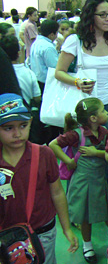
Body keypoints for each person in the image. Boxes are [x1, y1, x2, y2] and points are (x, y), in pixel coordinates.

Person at [0, 93, 78, 263]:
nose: (17, 133)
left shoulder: (43, 154)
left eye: (23, 125)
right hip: (6, 234)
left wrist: (66, 228)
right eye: (8, 128)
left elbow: (57, 192)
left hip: (42, 231)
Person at [49, 98, 108, 262]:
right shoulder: (76, 135)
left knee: (107, 212)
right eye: (103, 111)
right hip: (83, 182)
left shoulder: (104, 132)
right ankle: (87, 245)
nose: (106, 113)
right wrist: (68, 161)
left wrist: (97, 153)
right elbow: (53, 145)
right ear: (93, 118)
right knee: (86, 216)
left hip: (100, 180)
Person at [55, 0, 108, 133]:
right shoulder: (76, 41)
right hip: (83, 106)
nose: (107, 19)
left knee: (105, 147)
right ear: (90, 16)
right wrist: (77, 82)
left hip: (106, 105)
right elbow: (59, 72)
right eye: (102, 15)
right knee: (80, 149)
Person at [30, 20, 59, 92]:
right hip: (46, 82)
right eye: (57, 33)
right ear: (52, 34)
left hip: (37, 78)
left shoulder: (36, 42)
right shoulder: (48, 47)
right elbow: (55, 67)